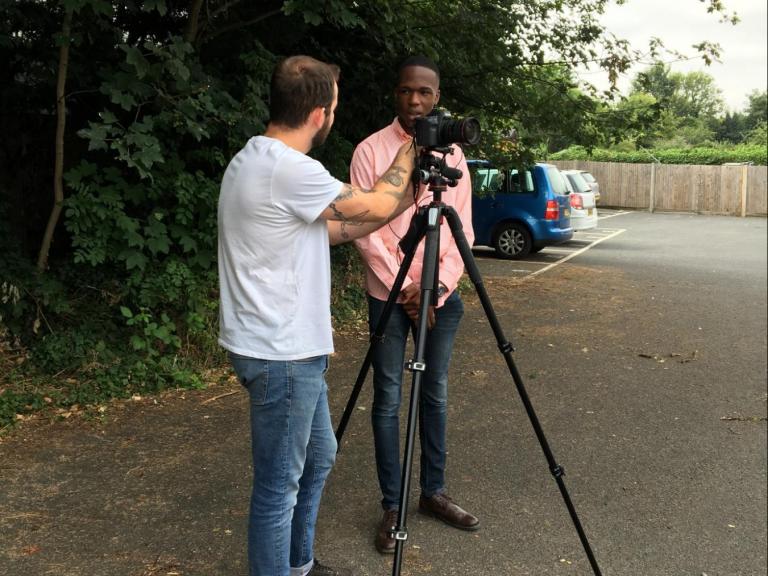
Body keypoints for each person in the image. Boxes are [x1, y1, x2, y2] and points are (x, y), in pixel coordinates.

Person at [218, 55, 419, 576]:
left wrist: (401, 200)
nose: (334, 116)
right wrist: (410, 151)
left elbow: (337, 228)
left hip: (284, 346)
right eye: (333, 108)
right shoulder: (290, 170)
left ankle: (298, 563)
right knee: (277, 486)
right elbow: (372, 205)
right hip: (281, 352)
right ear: (317, 114)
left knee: (319, 456)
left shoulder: (252, 160)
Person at [350, 55, 479, 555]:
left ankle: (434, 493)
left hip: (441, 296)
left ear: (437, 96)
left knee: (435, 392)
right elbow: (366, 228)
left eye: (425, 92)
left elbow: (458, 224)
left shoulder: (454, 154)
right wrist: (406, 290)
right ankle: (392, 504)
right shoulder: (370, 151)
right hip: (388, 294)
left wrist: (437, 289)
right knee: (387, 396)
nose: (415, 101)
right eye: (407, 91)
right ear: (395, 94)